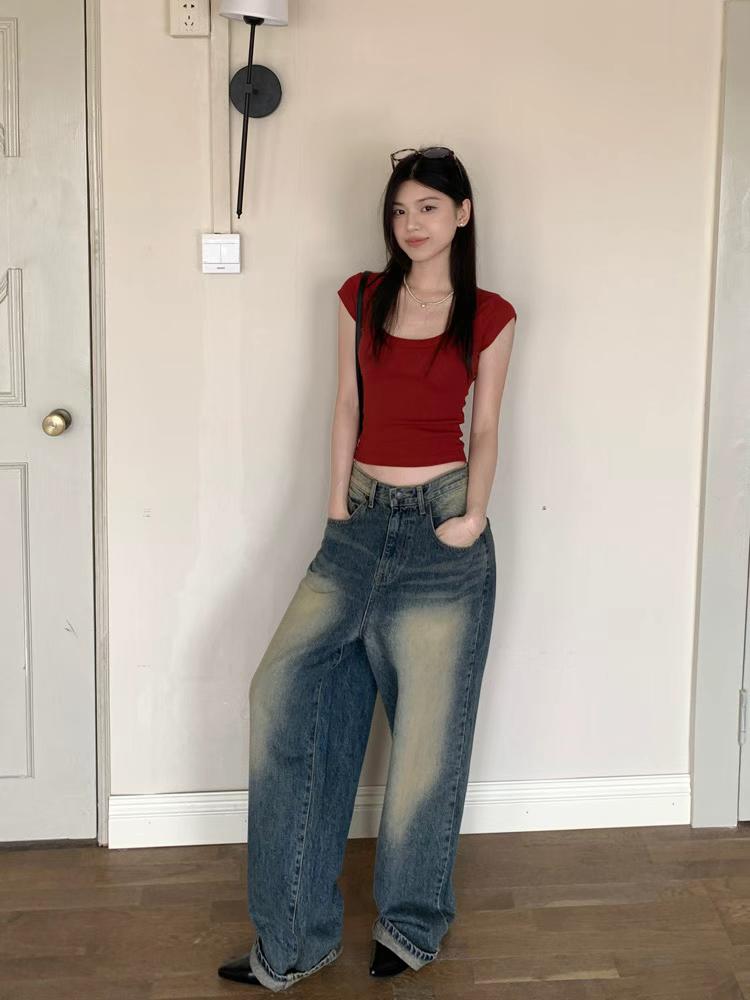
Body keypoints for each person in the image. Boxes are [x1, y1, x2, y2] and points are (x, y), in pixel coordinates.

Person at [218, 145, 517, 991]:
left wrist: (473, 516)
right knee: (282, 693)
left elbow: (486, 425)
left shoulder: (490, 314)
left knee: (425, 744)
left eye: (428, 207)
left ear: (462, 214)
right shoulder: (362, 295)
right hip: (356, 523)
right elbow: (345, 403)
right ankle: (293, 939)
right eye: (399, 210)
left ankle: (412, 925)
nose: (410, 224)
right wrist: (336, 509)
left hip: (442, 533)